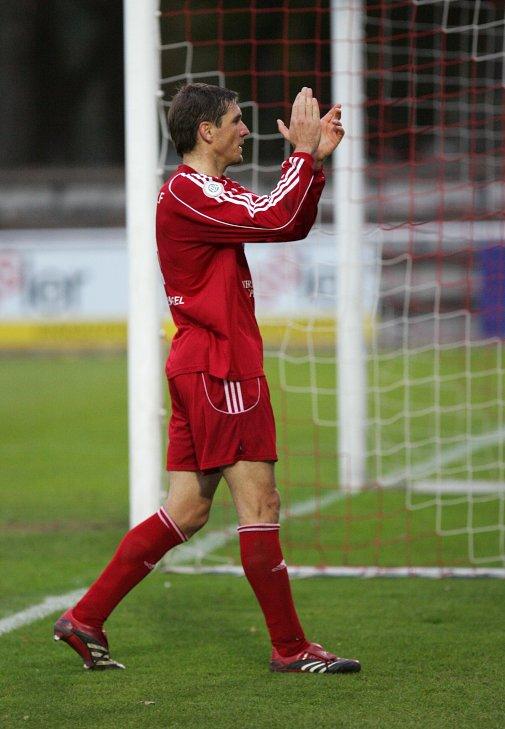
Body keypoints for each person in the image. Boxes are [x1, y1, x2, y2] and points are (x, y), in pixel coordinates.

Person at [54, 83, 361, 675]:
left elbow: (286, 222)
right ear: (206, 131)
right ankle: (291, 649)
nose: (247, 130)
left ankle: (85, 618)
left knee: (188, 511)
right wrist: (300, 155)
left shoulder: (210, 190)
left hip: (206, 361)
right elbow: (276, 219)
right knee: (261, 501)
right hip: (220, 366)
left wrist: (312, 165)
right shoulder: (189, 193)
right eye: (237, 122)